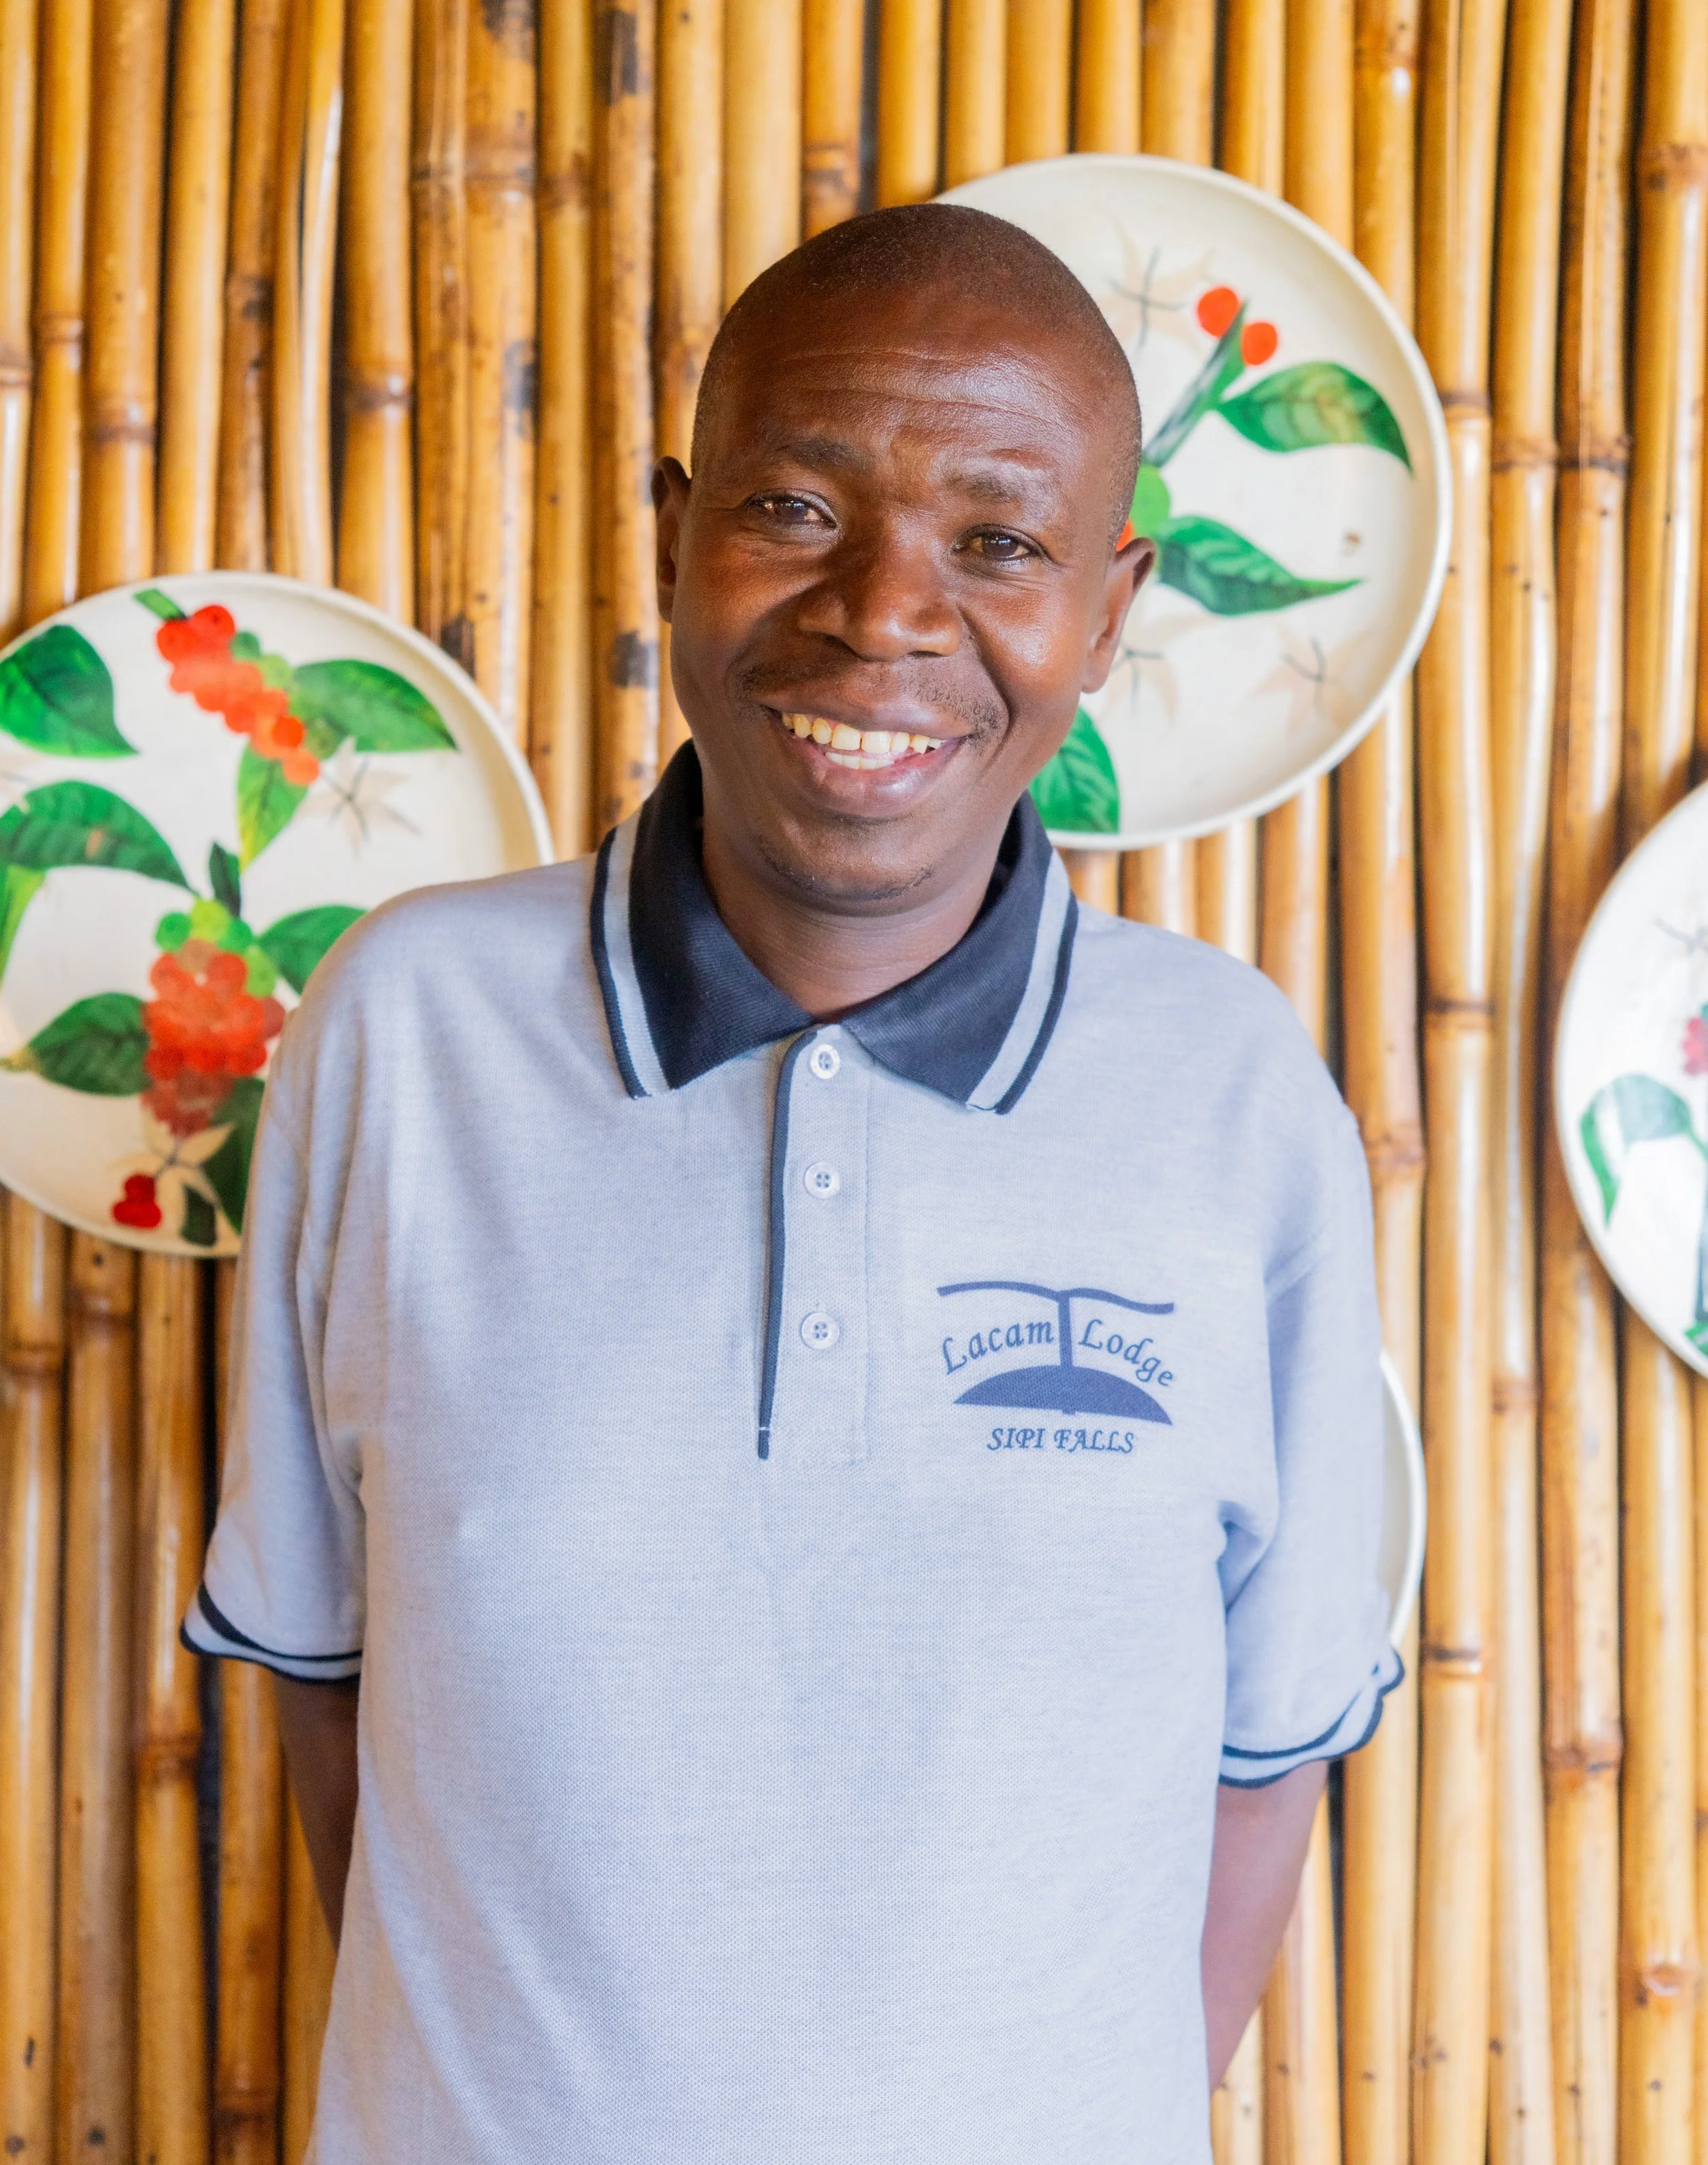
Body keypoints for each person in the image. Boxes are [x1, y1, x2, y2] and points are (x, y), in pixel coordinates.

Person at [184, 201, 1398, 2163]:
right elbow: (333, 1686)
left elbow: (1265, 1759)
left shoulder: (1233, 1097)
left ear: (1105, 604)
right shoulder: (405, 1032)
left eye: (996, 541)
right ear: (676, 531)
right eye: (796, 511)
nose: (885, 612)